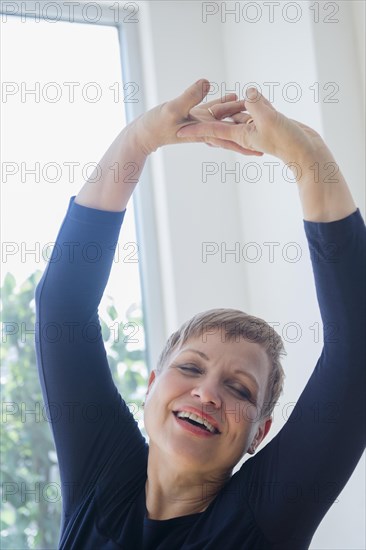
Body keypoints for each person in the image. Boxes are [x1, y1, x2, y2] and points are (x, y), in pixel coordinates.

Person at [35, 79, 365, 549]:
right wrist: (137, 141)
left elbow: (357, 358)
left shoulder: (262, 517)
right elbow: (61, 312)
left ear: (259, 434)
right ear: (150, 388)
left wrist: (308, 162)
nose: (207, 392)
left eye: (239, 389)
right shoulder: (101, 482)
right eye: (190, 367)